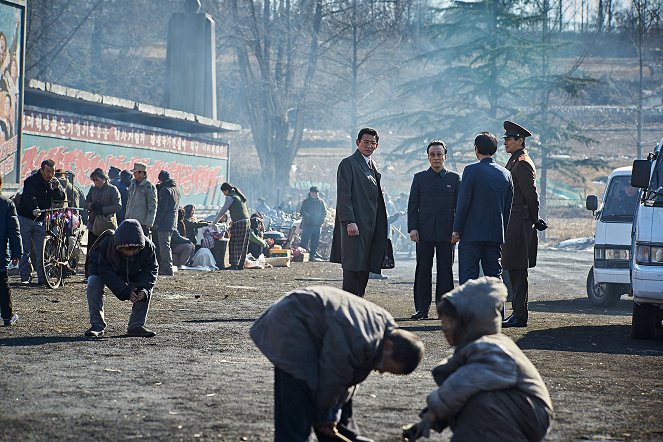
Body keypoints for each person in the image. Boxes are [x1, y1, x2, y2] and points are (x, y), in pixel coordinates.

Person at [250, 286, 425, 442]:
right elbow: (334, 377)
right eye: (386, 368)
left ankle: (344, 434)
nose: (380, 371)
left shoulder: (384, 328)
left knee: (335, 405)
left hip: (313, 326)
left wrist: (331, 415)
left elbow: (349, 379)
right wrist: (324, 416)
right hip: (291, 323)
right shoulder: (360, 339)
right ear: (388, 347)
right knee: (299, 397)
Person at [402, 277, 553, 442]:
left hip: (530, 414)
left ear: (469, 321)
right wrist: (427, 421)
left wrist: (433, 413)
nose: (444, 327)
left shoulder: (492, 346)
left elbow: (464, 384)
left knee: (480, 404)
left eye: (450, 321)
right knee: (469, 398)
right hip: (522, 412)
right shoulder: (477, 347)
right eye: (442, 320)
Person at [330, 127, 389, 297]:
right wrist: (349, 221)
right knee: (352, 267)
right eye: (366, 142)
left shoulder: (372, 165)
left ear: (376, 146)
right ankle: (348, 305)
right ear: (358, 143)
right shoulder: (349, 163)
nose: (369, 146)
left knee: (365, 266)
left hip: (370, 226)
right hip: (355, 225)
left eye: (373, 143)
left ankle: (358, 302)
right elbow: (344, 195)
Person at [408, 140, 461, 320]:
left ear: (445, 156)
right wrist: (413, 228)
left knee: (445, 271)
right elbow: (412, 206)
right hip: (423, 233)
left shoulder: (455, 179)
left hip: (448, 234)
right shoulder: (419, 178)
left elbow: (459, 208)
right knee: (423, 270)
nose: (436, 157)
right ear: (428, 157)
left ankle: (443, 310)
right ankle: (421, 309)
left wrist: (457, 230)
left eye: (439, 154)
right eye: (432, 154)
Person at [451, 132, 513, 285]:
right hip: (494, 235)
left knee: (468, 279)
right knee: (494, 279)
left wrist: (456, 229)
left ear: (476, 149)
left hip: (471, 234)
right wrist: (502, 232)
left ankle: (468, 309)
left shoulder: (471, 171)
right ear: (495, 149)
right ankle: (498, 309)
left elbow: (463, 203)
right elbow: (507, 208)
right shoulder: (506, 174)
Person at [85, 219, 158, 338]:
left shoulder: (148, 247)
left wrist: (144, 289)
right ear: (118, 246)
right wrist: (125, 291)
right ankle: (97, 326)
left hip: (134, 271)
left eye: (133, 250)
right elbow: (105, 272)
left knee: (145, 290)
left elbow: (151, 270)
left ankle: (136, 326)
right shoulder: (106, 245)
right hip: (101, 268)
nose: (130, 253)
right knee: (93, 284)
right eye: (126, 249)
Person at [501, 121, 541, 328]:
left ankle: (520, 314)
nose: (506, 142)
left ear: (520, 140)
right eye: (506, 139)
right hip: (514, 221)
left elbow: (530, 195)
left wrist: (535, 219)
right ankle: (517, 312)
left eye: (509, 139)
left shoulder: (522, 162)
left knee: (518, 270)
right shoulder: (515, 160)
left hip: (518, 221)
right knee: (514, 269)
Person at [16, 159, 65, 285]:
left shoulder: (53, 182)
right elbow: (29, 196)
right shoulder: (31, 181)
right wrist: (34, 208)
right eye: (48, 171)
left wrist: (57, 188)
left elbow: (60, 199)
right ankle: (25, 276)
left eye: (52, 172)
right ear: (42, 170)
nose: (50, 174)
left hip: (41, 220)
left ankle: (42, 278)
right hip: (26, 218)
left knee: (41, 251)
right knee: (25, 249)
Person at [84, 168, 122, 279]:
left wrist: (103, 210)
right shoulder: (93, 189)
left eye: (98, 180)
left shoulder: (112, 190)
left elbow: (117, 206)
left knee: (108, 251)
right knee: (91, 250)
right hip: (93, 224)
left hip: (107, 225)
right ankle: (89, 274)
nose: (96, 183)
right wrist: (91, 205)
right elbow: (85, 203)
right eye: (94, 181)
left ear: (104, 179)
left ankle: (108, 274)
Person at [212, 182, 250, 270]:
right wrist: (228, 223)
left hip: (239, 222)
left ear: (226, 190)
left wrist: (214, 222)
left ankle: (234, 265)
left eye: (223, 192)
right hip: (246, 222)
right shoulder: (238, 195)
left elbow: (223, 211)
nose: (224, 194)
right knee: (243, 244)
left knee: (234, 243)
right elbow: (234, 211)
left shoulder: (230, 197)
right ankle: (240, 264)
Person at [0, 174, 21, 326]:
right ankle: (7, 316)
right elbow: (14, 231)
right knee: (2, 283)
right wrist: (16, 253)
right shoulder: (6, 204)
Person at [152, 170, 181, 276]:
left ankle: (167, 268)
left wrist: (156, 222)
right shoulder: (176, 189)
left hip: (164, 222)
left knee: (164, 246)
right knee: (166, 245)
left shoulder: (165, 190)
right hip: (173, 221)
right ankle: (167, 267)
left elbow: (162, 209)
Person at [125, 162, 158, 238]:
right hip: (130, 220)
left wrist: (149, 223)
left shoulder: (149, 186)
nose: (134, 174)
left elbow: (152, 206)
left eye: (135, 172)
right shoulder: (132, 184)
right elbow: (129, 201)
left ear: (142, 173)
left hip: (142, 223)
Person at [299, 186, 327, 262]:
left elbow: (324, 213)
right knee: (304, 241)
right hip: (308, 225)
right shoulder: (306, 201)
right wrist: (308, 215)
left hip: (317, 225)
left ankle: (312, 256)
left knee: (315, 241)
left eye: (316, 193)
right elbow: (302, 211)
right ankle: (301, 255)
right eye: (313, 192)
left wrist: (321, 221)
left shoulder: (321, 202)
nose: (314, 194)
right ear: (310, 193)